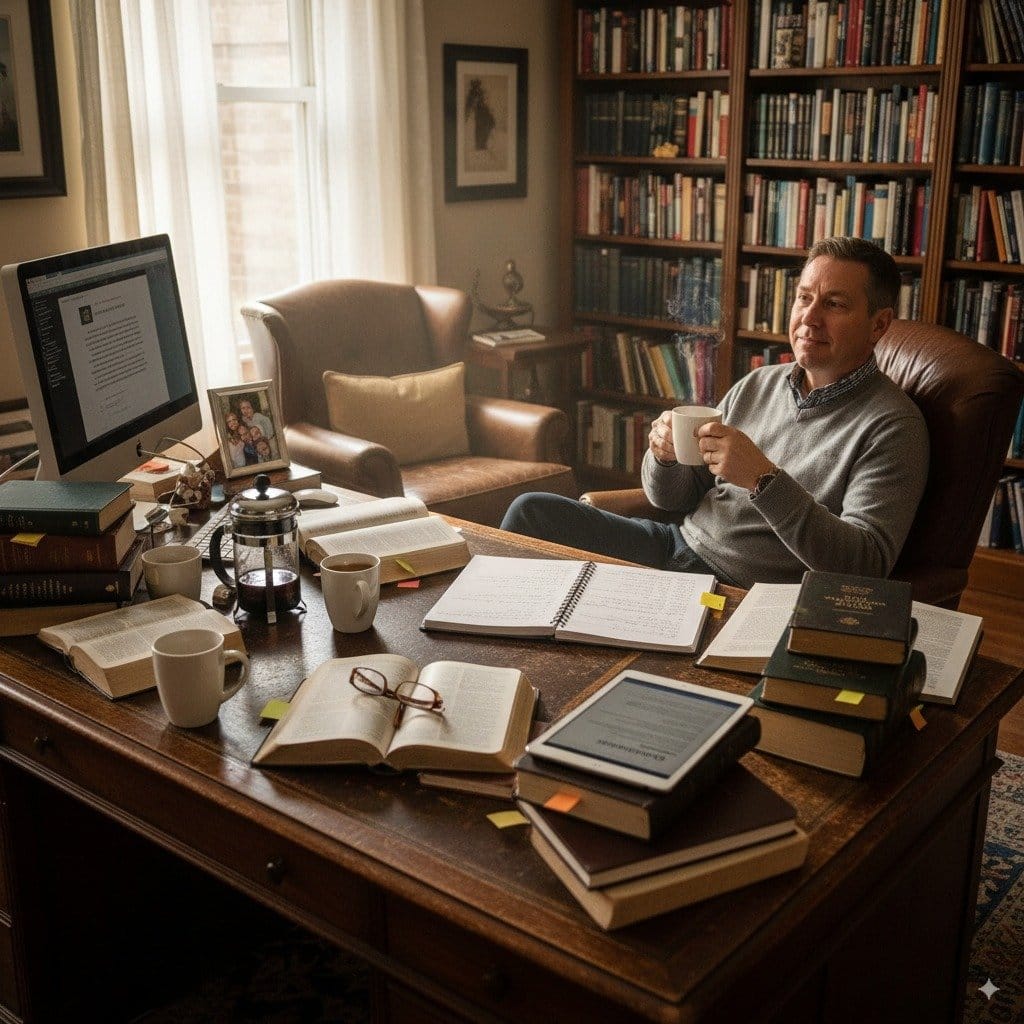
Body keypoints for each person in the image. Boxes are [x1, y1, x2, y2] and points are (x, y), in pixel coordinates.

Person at [501, 237, 930, 590]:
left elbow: (865, 565)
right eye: (804, 298)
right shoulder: (759, 384)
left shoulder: (893, 426)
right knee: (531, 512)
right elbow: (672, 500)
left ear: (879, 324)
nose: (809, 318)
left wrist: (763, 480)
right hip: (675, 547)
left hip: (740, 591)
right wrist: (665, 458)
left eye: (834, 304)